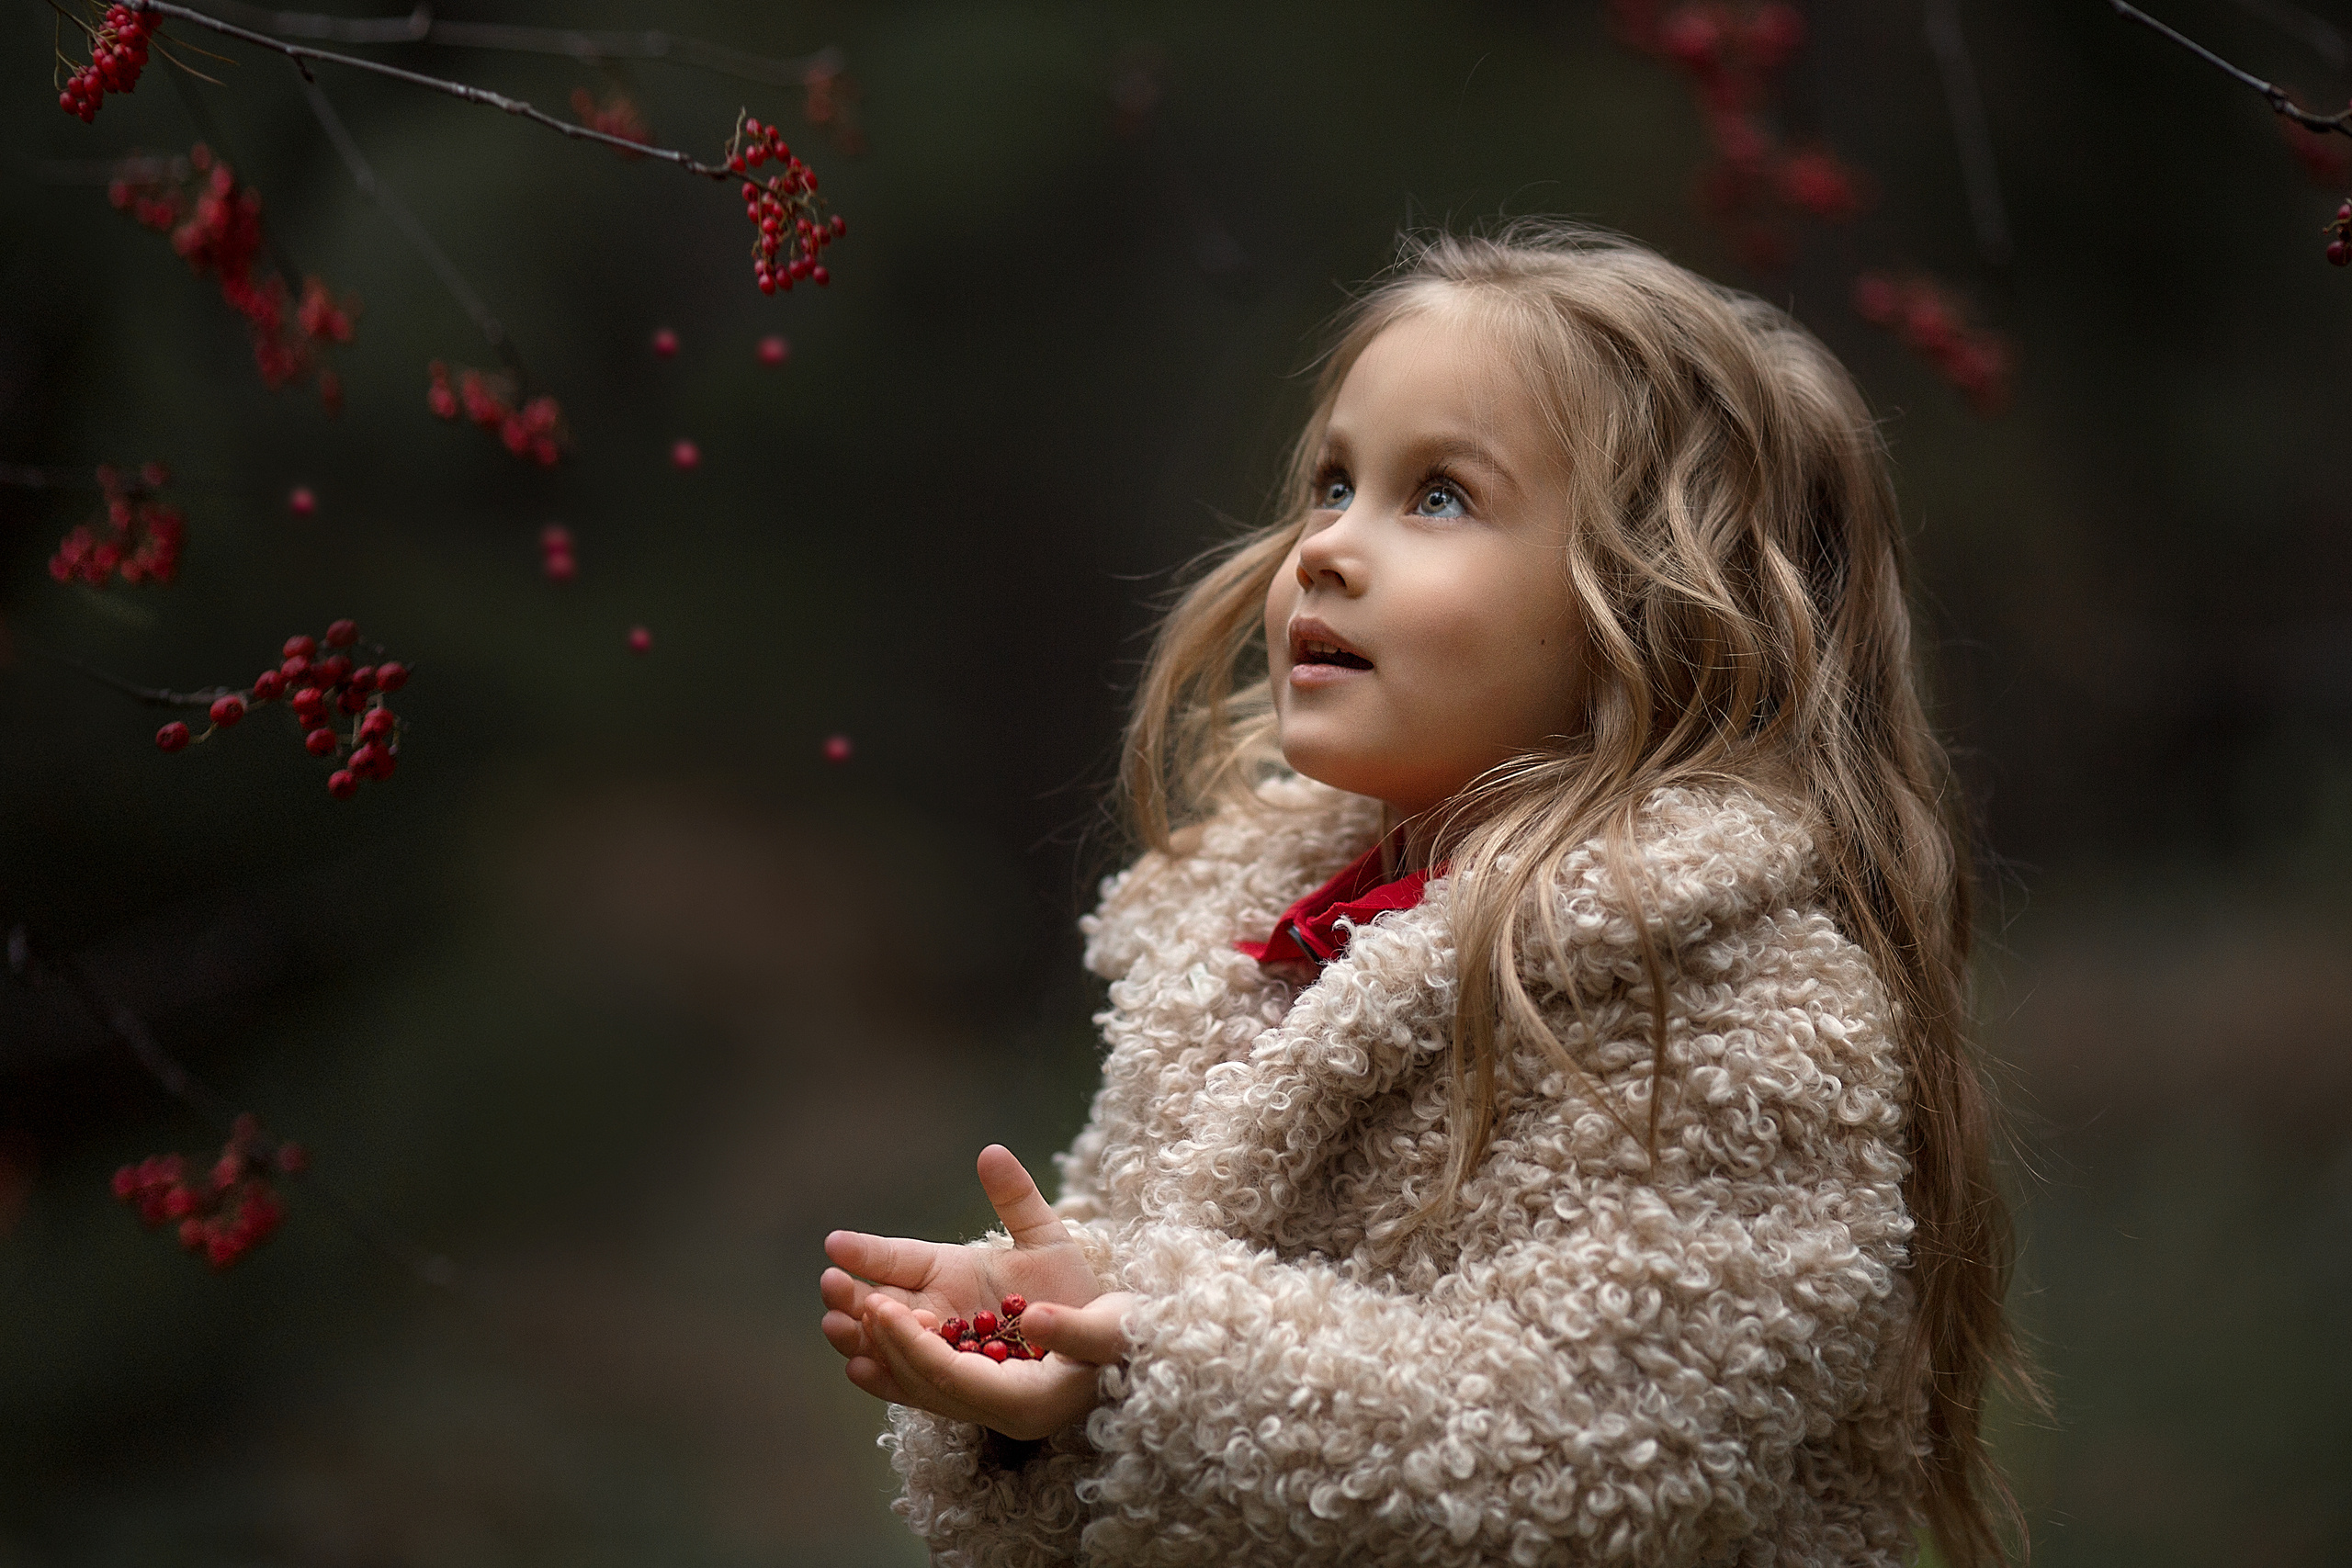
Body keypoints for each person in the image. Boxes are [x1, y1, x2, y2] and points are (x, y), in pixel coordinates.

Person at [818, 223, 2029, 1567]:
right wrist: (1048, 1353)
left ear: (1659, 604)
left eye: (1439, 496)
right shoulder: (1246, 939)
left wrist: (1150, 1345)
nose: (1328, 548)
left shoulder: (1740, 1006)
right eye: (1333, 483)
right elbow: (1146, 1391)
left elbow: (1589, 1456)